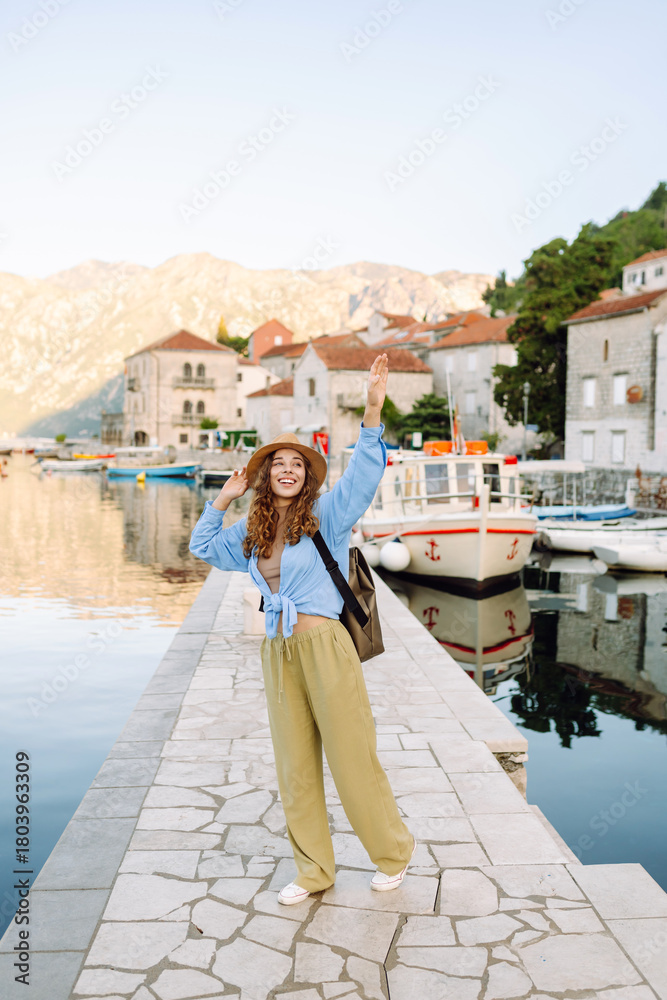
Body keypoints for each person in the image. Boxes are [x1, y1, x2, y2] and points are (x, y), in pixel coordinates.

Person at [189, 353, 416, 904]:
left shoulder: (328, 516)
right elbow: (201, 546)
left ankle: (393, 853)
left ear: (306, 475)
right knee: (294, 765)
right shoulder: (251, 530)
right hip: (278, 650)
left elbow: (365, 473)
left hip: (325, 644)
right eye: (278, 464)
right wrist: (224, 497)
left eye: (296, 463)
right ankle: (314, 870)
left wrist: (372, 409)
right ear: (266, 475)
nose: (287, 469)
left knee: (351, 755)